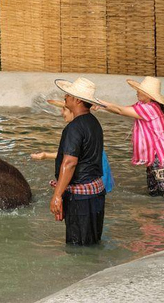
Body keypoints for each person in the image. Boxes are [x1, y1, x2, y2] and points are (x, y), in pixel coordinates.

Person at [98, 76, 164, 199]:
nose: (137, 91)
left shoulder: (150, 108)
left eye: (140, 90)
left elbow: (120, 110)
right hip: (154, 157)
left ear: (149, 95)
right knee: (157, 195)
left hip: (162, 158)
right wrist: (100, 106)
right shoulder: (145, 106)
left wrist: (98, 102)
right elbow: (120, 110)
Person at [49, 77, 106, 246]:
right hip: (95, 193)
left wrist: (57, 196)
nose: (65, 97)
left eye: (68, 94)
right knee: (92, 241)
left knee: (78, 245)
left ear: (78, 100)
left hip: (80, 199)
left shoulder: (74, 127)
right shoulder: (94, 123)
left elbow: (69, 163)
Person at [32, 99, 114, 193]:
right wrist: (46, 155)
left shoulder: (75, 129)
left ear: (73, 111)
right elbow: (73, 154)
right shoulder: (90, 122)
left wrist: (57, 195)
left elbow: (71, 160)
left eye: (64, 109)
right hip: (95, 175)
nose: (62, 113)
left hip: (88, 177)